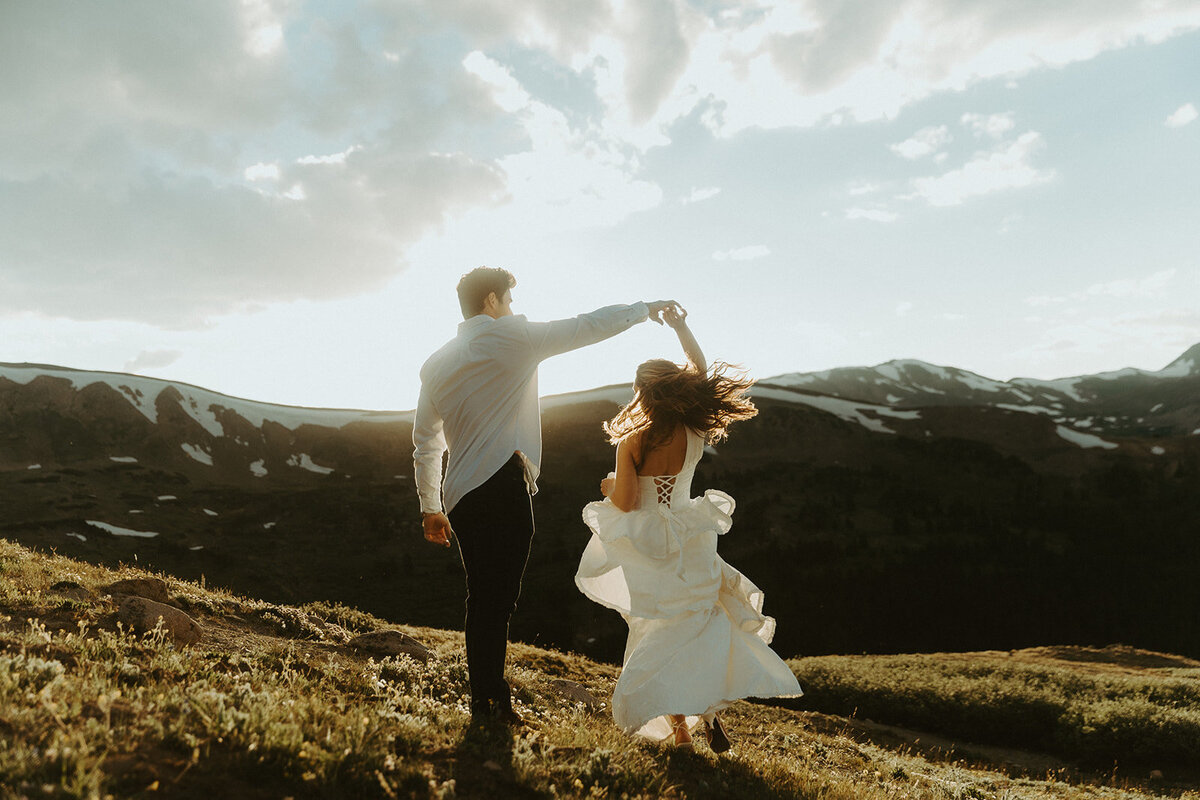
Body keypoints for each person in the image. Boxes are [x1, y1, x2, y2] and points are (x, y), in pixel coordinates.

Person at [412, 265, 678, 725]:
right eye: (509, 301)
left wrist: (430, 506)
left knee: (483, 596)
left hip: (458, 495)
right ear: (492, 301)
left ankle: (487, 701)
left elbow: (426, 443)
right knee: (499, 599)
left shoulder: (435, 363)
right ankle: (492, 702)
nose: (514, 309)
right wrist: (644, 309)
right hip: (501, 484)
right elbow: (586, 326)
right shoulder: (515, 337)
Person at [575, 305, 802, 751]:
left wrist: (608, 484)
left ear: (642, 391)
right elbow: (699, 369)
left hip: (650, 544)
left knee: (654, 631)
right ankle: (710, 711)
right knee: (702, 623)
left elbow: (626, 501)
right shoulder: (693, 427)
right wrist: (681, 326)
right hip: (691, 533)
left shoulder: (634, 437)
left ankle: (680, 730)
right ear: (677, 387)